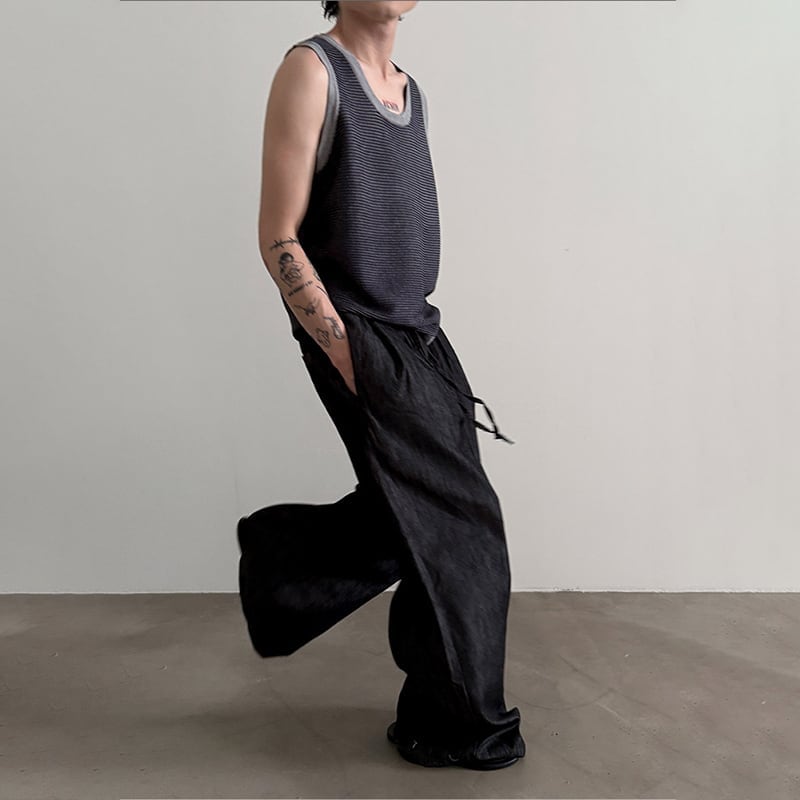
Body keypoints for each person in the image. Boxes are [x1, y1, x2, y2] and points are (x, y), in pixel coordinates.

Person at [236, 0, 526, 770]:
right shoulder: (312, 70)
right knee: (465, 527)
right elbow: (277, 234)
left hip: (420, 332)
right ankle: (466, 727)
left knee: (434, 515)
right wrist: (345, 351)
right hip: (359, 333)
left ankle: (283, 568)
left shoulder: (409, 90)